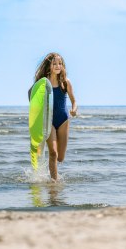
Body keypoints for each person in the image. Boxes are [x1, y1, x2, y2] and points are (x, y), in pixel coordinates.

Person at [33, 53, 78, 181]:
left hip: (63, 120)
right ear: (49, 66)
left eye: (60, 63)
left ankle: (52, 175)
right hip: (49, 121)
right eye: (54, 63)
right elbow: (31, 96)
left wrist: (74, 110)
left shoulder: (65, 82)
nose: (58, 66)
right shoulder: (43, 83)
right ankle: (54, 183)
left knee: (60, 158)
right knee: (53, 153)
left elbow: (74, 101)